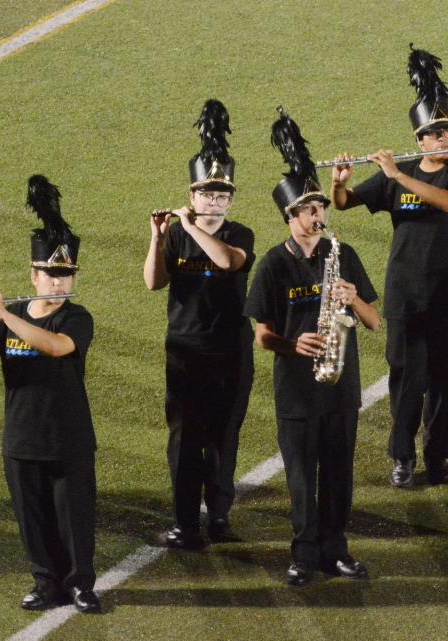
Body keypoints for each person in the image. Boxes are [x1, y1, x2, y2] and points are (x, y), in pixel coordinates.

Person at [331, 46, 448, 488]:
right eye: (436, 134)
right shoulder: (391, 175)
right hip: (405, 294)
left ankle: (438, 457)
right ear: (419, 139)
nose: (445, 139)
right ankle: (402, 457)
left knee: (444, 383)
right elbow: (343, 205)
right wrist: (338, 183)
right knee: (406, 380)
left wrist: (399, 177)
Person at [245, 109, 379, 586]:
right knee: (302, 478)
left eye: (321, 208)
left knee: (339, 475)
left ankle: (335, 549)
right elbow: (261, 334)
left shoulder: (341, 255)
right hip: (298, 391)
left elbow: (374, 321)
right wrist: (291, 342)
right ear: (290, 216)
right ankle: (303, 554)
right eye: (309, 210)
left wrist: (353, 297)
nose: (319, 216)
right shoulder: (271, 266)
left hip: (341, 386)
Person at [0, 176, 100, 612]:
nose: (59, 284)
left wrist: (3, 314)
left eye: (66, 275)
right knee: (33, 522)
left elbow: (55, 347)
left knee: (73, 520)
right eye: (52, 275)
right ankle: (46, 584)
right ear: (33, 275)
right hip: (21, 439)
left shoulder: (76, 318)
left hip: (69, 439)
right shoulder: (12, 317)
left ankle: (80, 586)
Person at [143, 99, 255, 549]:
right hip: (185, 350)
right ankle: (185, 523)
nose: (213, 200)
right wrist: (156, 238)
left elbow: (227, 263)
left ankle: (220, 516)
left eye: (221, 195)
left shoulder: (238, 234)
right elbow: (154, 282)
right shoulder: (173, 234)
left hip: (229, 350)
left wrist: (191, 229)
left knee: (223, 437)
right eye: (206, 194)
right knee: (185, 440)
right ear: (191, 195)